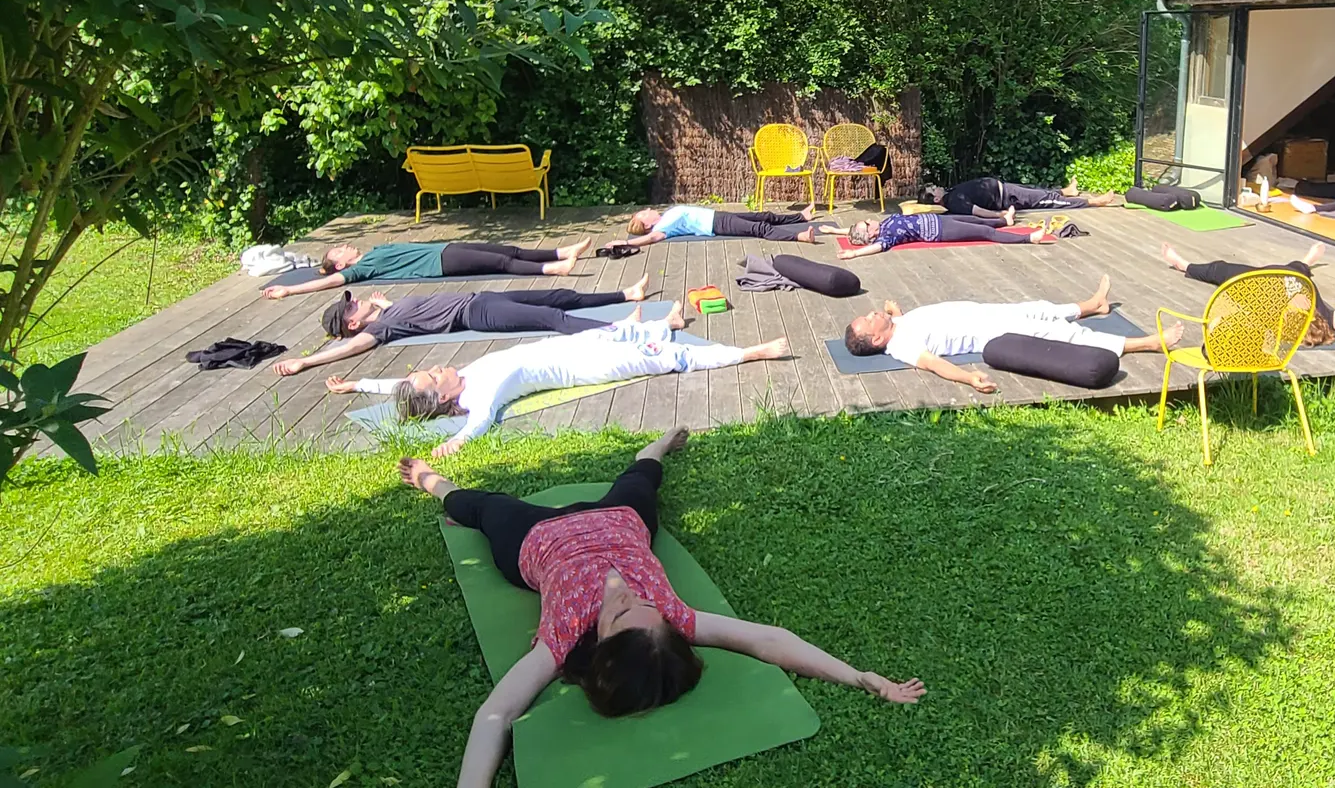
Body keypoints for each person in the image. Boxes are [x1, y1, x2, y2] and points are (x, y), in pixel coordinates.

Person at [397, 428, 924, 788]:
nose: (629, 594)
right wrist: (858, 676)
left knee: (481, 506)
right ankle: (662, 441)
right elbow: (769, 638)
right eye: (645, 605)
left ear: (598, 643)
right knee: (641, 476)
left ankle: (428, 478)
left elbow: (495, 715)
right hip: (620, 520)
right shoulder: (673, 618)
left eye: (625, 613)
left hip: (538, 539)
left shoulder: (561, 639)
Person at [327, 302, 789, 457]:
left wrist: (358, 385)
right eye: (435, 376)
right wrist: (455, 444)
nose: (438, 367)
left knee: (615, 329)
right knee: (663, 357)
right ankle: (747, 354)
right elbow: (479, 424)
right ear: (445, 398)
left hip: (569, 348)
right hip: (585, 368)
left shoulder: (463, 378)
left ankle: (664, 321)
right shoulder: (481, 395)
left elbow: (398, 386)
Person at [840, 276, 1182, 392]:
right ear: (877, 340)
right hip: (992, 332)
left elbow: (910, 323)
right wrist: (968, 379)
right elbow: (932, 363)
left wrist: (896, 314)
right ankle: (1148, 343)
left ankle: (1092, 305)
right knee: (1058, 333)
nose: (872, 313)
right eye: (869, 320)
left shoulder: (898, 326)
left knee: (1038, 305)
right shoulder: (901, 345)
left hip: (985, 312)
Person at [270, 277, 655, 377]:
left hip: (481, 297)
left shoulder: (387, 310)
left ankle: (625, 294)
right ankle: (619, 330)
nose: (355, 300)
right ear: (352, 322)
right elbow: (352, 348)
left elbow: (405, 309)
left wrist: (385, 304)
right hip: (478, 315)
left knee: (556, 296)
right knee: (550, 319)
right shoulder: (382, 329)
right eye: (350, 305)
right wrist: (307, 362)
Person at [1159, 241, 1335, 357]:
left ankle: (1182, 264)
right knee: (1299, 266)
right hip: (1294, 273)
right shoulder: (1325, 314)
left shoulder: (1270, 312)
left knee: (1219, 270)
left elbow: (1228, 321)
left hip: (1263, 277)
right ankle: (1309, 259)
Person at [261, 238, 594, 299]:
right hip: (441, 263)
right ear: (341, 263)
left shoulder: (372, 252)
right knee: (501, 263)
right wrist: (289, 288)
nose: (347, 247)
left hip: (443, 248)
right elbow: (328, 283)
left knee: (507, 249)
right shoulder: (359, 271)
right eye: (341, 250)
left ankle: (561, 251)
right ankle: (554, 269)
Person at [835, 211, 1053, 259]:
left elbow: (855, 232)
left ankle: (1005, 220)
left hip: (939, 219)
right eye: (866, 223)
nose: (868, 220)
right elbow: (874, 247)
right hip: (941, 231)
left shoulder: (883, 224)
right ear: (871, 233)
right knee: (985, 232)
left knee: (976, 219)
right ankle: (1028, 238)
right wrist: (854, 254)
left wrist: (837, 230)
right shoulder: (886, 236)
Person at [615, 205, 825, 246]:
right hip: (717, 224)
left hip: (718, 215)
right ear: (646, 223)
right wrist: (626, 243)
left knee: (764, 215)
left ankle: (800, 217)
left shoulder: (665, 217)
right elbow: (652, 238)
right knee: (759, 228)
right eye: (645, 213)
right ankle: (800, 237)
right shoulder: (662, 227)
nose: (650, 210)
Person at [918, 175, 1120, 217]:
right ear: (936, 199)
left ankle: (1067, 191)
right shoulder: (955, 201)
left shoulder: (951, 194)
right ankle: (1093, 201)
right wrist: (1001, 215)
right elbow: (977, 211)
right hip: (1007, 198)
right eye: (932, 189)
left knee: (1037, 192)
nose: (936, 187)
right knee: (1046, 201)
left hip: (1004, 189)